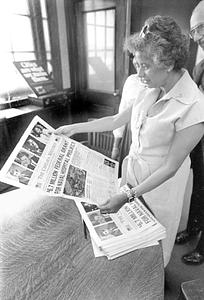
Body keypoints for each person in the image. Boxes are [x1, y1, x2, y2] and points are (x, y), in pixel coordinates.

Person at [55, 15, 204, 267]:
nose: (139, 73)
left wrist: (128, 195)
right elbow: (116, 120)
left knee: (155, 246)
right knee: (129, 242)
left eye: (144, 65)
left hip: (160, 186)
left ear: (167, 63)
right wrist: (73, 128)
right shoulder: (150, 86)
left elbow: (170, 167)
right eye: (137, 64)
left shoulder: (194, 105)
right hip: (132, 173)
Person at [175, 0, 204, 265]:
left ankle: (203, 248)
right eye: (195, 30)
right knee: (198, 188)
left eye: (203, 27)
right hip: (200, 142)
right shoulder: (199, 67)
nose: (199, 36)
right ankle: (193, 228)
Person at [111, 74, 143, 176]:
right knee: (125, 174)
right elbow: (121, 113)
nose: (140, 72)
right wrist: (116, 146)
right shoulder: (132, 80)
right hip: (129, 134)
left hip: (146, 138)